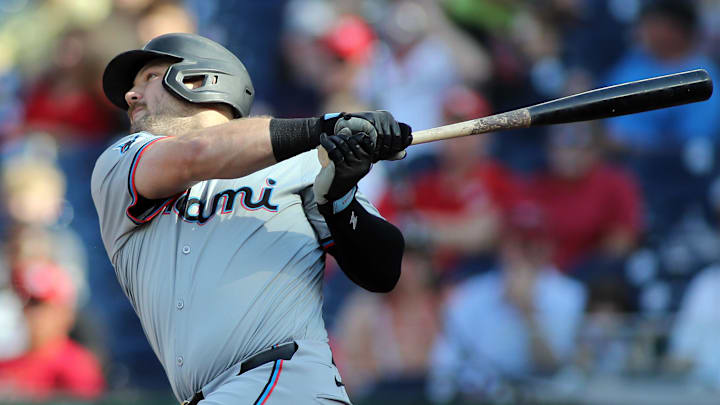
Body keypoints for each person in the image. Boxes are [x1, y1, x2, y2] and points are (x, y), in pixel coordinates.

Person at [91, 33, 411, 405]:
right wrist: (327, 126)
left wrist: (340, 201)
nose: (131, 95)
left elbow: (383, 270)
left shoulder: (302, 164)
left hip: (285, 380)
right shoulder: (121, 161)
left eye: (148, 78)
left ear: (199, 80)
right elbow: (196, 153)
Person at [427, 202, 586, 404]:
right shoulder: (470, 295)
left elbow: (556, 369)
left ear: (547, 247)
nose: (521, 253)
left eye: (530, 244)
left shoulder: (571, 295)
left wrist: (528, 313)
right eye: (514, 243)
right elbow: (444, 370)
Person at [0, 259, 105, 401]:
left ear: (65, 313)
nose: (30, 312)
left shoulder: (77, 368)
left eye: (39, 304)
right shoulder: (7, 363)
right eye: (27, 302)